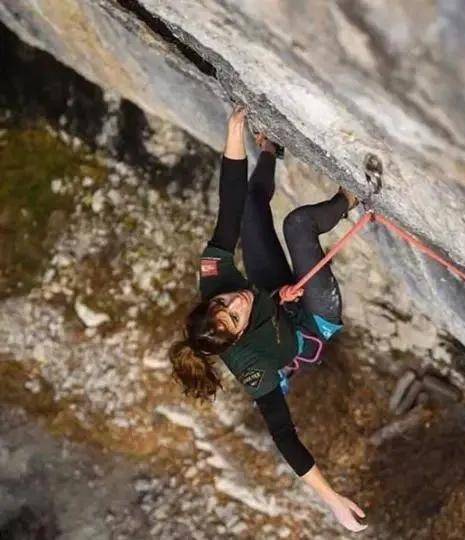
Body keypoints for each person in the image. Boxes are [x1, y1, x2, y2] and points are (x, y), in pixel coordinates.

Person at [169, 106, 367, 532]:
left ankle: (270, 149)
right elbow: (284, 436)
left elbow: (230, 203)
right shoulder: (253, 369)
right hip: (312, 322)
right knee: (298, 225)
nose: (234, 303)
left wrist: (234, 131)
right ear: (238, 337)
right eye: (233, 317)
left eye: (222, 305)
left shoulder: (214, 277)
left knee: (249, 211)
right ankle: (353, 196)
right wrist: (331, 500)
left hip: (277, 295)